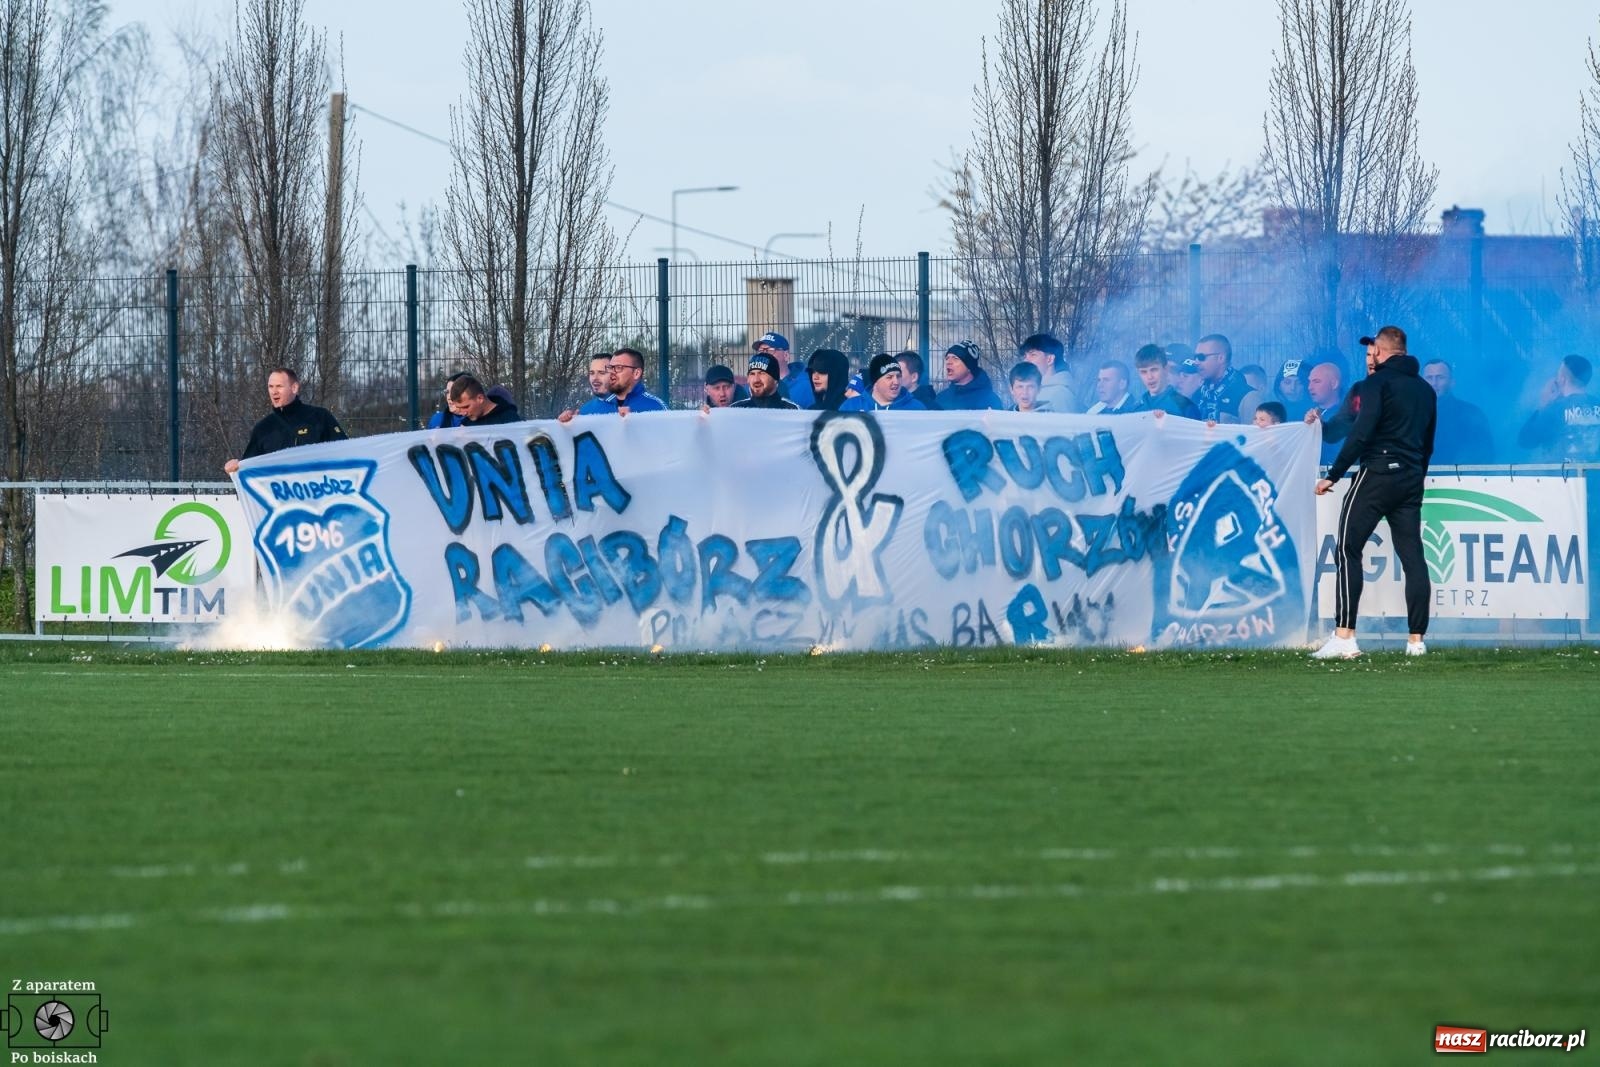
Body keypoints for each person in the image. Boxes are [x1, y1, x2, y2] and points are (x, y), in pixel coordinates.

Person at [1312, 325, 1436, 660]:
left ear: (1380, 352)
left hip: (1377, 472)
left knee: (1347, 548)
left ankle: (1345, 636)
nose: (1370, 357)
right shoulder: (1425, 390)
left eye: (1372, 352)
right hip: (1410, 476)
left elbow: (1361, 433)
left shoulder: (1375, 384)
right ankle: (1416, 642)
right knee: (1413, 557)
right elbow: (1428, 442)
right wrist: (1416, 476)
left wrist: (1334, 475)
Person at [224, 367, 345, 473]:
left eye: (279, 386)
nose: (274, 391)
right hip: (278, 492)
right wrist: (236, 468)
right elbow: (250, 469)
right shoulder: (263, 428)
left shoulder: (320, 417)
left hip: (316, 489)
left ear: (294, 388)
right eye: (271, 387)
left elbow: (344, 453)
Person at [1516, 354, 1600, 461]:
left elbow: (1525, 441)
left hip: (1564, 471)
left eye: (1558, 375)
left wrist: (1543, 404)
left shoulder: (1554, 409)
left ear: (1562, 379)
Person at [1420, 358, 1494, 465]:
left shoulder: (1471, 414)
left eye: (1440, 377)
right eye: (1429, 378)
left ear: (1452, 382)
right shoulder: (1411, 415)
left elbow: (1485, 455)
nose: (1434, 383)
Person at [572, 347, 666, 417]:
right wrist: (569, 426)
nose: (612, 373)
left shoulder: (657, 408)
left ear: (636, 373)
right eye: (610, 368)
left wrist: (635, 422)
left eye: (618, 368)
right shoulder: (588, 410)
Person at [1193, 333, 1263, 423]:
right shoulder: (1198, 394)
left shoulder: (1248, 397)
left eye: (1201, 357)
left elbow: (1255, 432)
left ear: (1221, 358)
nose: (1196, 362)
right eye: (1195, 357)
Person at [841, 352, 926, 412]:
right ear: (875, 382)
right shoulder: (852, 406)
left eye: (898, 376)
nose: (896, 382)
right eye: (889, 377)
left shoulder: (916, 408)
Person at [1134, 343, 1200, 418]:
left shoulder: (1185, 407)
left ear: (1165, 369)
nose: (1149, 377)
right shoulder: (1135, 410)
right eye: (1143, 372)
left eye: (1154, 370)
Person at [1018, 333, 1079, 413]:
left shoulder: (1061, 394)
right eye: (1025, 356)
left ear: (1049, 359)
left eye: (1033, 355)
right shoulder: (1030, 390)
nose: (1026, 360)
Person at [936, 341, 1004, 410]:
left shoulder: (990, 400)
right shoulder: (941, 399)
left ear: (969, 366)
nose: (948, 362)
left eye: (955, 358)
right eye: (947, 358)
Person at [754, 331, 813, 409]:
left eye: (770, 350)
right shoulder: (752, 386)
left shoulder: (805, 385)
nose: (764, 355)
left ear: (786, 355)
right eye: (760, 351)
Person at [731, 351, 799, 410]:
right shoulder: (736, 409)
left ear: (775, 379)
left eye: (762, 373)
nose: (756, 379)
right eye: (752, 374)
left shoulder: (791, 410)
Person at [451, 375, 522, 426]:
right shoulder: (465, 424)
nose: (463, 413)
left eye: (466, 407)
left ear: (480, 398)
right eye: (459, 408)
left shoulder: (509, 418)